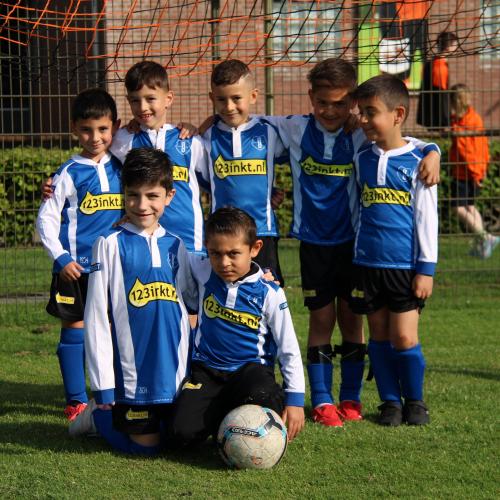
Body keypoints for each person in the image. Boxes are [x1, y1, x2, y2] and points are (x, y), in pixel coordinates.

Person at [263, 58, 441, 427]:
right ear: (311, 98)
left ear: (353, 104)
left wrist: (433, 151)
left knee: (353, 321)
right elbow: (243, 121)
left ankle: (352, 398)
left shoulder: (362, 137)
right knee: (321, 320)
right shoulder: (295, 129)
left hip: (355, 248)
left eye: (341, 103)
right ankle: (323, 400)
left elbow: (404, 141)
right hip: (314, 245)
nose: (331, 111)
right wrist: (202, 124)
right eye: (322, 102)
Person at [68, 147, 198, 455]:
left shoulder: (177, 246)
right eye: (133, 195)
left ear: (169, 196)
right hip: (132, 375)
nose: (142, 205)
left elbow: (194, 299)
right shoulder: (109, 244)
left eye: (152, 196)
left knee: (182, 439)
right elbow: (96, 317)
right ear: (123, 194)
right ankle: (97, 416)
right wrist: (103, 384)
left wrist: (259, 274)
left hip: (175, 371)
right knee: (146, 450)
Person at [170, 206, 305, 444]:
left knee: (262, 394)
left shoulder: (270, 293)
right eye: (215, 253)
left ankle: (254, 415)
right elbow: (169, 246)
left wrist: (295, 401)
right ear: (207, 248)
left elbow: (289, 348)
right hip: (207, 371)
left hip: (250, 372)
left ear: (255, 248)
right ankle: (223, 419)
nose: (224, 262)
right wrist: (132, 222)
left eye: (234, 254)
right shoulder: (202, 269)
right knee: (182, 433)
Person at [351, 74, 438, 426]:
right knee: (379, 335)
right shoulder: (361, 157)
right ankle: (389, 402)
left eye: (371, 112)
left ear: (398, 114)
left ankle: (414, 400)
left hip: (405, 266)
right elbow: (355, 208)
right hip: (368, 263)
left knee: (404, 336)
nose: (363, 119)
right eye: (361, 112)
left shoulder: (418, 160)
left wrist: (426, 269)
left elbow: (426, 218)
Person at [36, 88, 123, 421]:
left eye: (102, 129)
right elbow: (46, 219)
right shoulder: (68, 172)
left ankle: (113, 394)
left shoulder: (123, 166)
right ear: (74, 128)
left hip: (113, 269)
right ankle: (76, 400)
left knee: (113, 330)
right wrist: (61, 259)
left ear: (115, 126)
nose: (95, 137)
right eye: (86, 130)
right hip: (74, 268)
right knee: (75, 329)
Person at [199, 59, 286, 284]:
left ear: (253, 96)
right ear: (212, 98)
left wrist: (270, 191)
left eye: (236, 98)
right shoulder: (206, 137)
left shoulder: (270, 133)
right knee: (223, 292)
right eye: (221, 99)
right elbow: (203, 179)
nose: (229, 107)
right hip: (222, 232)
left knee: (267, 288)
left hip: (262, 230)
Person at [109, 60, 207, 256]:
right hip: (142, 240)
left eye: (150, 98)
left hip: (189, 241)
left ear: (168, 98)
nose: (143, 107)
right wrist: (54, 178)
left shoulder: (190, 140)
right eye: (135, 100)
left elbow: (215, 181)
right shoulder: (122, 139)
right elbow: (95, 163)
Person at [449, 83, 499, 258]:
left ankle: (485, 237)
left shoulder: (467, 122)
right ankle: (483, 246)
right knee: (470, 206)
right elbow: (482, 147)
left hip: (466, 173)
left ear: (455, 101)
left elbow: (468, 152)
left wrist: (476, 174)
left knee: (457, 208)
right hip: (473, 171)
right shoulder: (471, 118)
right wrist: (481, 171)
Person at [417, 31, 459, 129]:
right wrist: (446, 119)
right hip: (437, 118)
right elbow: (440, 94)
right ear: (448, 47)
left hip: (431, 115)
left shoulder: (433, 62)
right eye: (455, 45)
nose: (457, 48)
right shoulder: (439, 65)